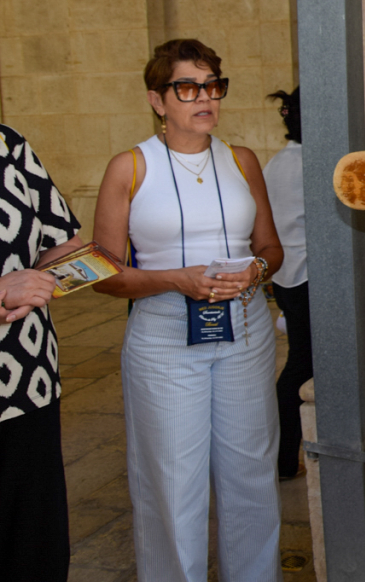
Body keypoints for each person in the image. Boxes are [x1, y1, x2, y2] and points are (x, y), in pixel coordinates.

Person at [94, 39, 286, 582]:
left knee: (251, 473)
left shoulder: (241, 161)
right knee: (173, 482)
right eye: (187, 88)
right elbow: (103, 273)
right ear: (157, 99)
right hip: (164, 334)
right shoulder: (130, 167)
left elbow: (271, 249)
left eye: (212, 86)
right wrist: (174, 279)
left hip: (245, 326)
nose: (205, 98)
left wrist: (256, 271)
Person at [0, 126, 84, 582]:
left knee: (34, 548)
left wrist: (55, 273)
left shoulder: (7, 144)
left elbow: (63, 242)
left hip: (27, 381)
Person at [262, 87, 311, 480]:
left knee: (300, 361)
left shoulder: (278, 162)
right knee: (301, 365)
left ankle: (283, 457)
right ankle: (282, 458)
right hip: (306, 276)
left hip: (287, 277)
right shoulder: (309, 163)